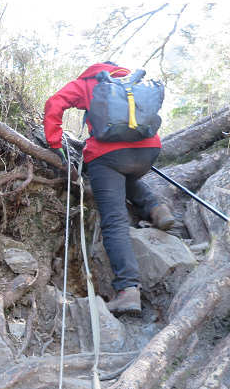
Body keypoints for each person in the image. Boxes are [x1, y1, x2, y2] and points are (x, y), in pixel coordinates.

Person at [43, 61, 174, 315]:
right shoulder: (133, 81)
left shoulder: (90, 81)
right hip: (148, 152)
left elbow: (55, 103)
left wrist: (53, 141)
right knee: (125, 177)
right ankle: (156, 208)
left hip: (107, 157)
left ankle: (127, 290)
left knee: (114, 221)